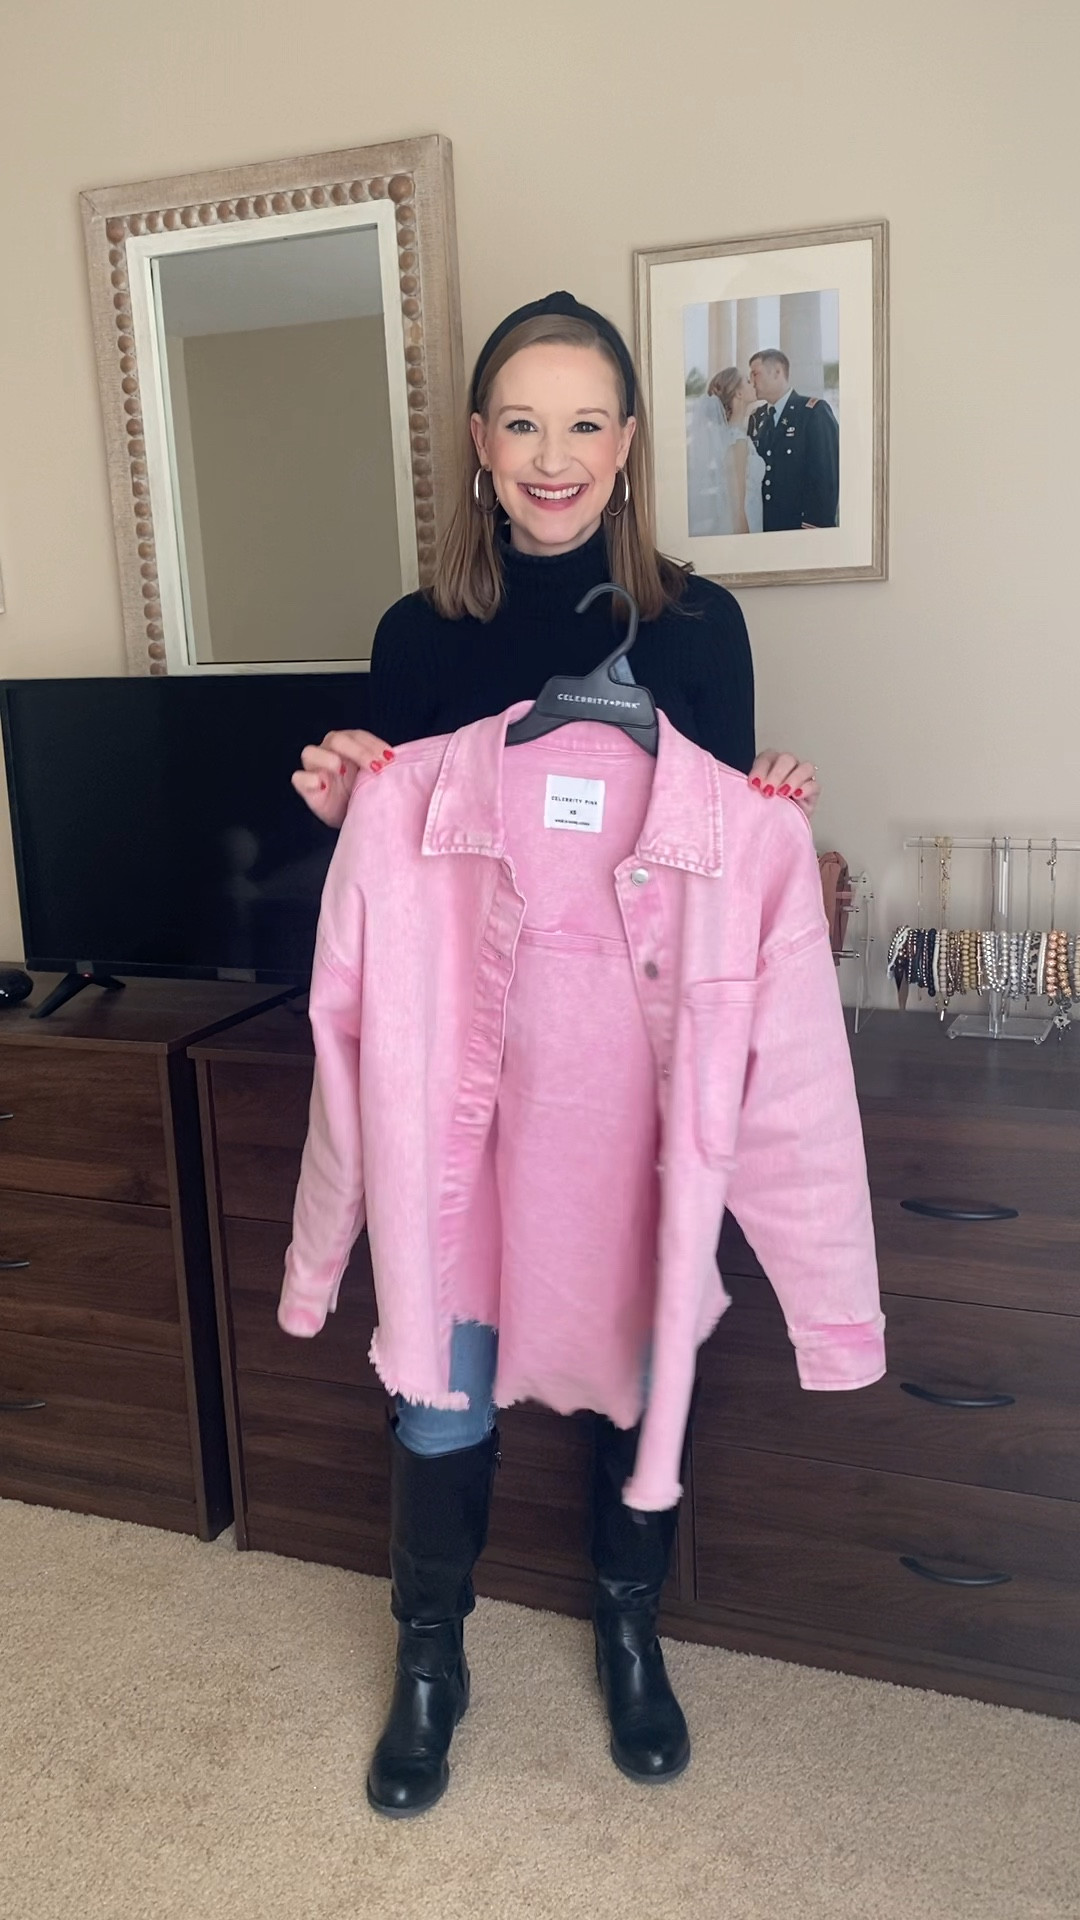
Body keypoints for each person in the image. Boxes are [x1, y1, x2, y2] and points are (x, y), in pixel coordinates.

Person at [289, 291, 821, 1819]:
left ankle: (632, 1629)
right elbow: (377, 874)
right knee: (439, 1393)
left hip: (631, 1096)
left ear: (631, 443)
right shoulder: (415, 636)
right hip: (456, 1097)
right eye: (521, 421)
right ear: (477, 441)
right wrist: (343, 799)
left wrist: (773, 807)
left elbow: (718, 866)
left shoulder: (703, 628)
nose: (553, 455)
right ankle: (431, 1655)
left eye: (586, 422)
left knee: (641, 1367)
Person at [747, 348, 840, 531]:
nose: (751, 380)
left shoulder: (813, 412)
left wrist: (812, 531)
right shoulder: (757, 418)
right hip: (765, 530)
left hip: (798, 530)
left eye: (755, 373)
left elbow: (826, 478)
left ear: (777, 372)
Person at [686, 366, 765, 535]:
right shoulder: (738, 441)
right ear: (739, 393)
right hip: (746, 527)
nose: (752, 383)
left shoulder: (727, 436)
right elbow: (738, 506)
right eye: (747, 381)